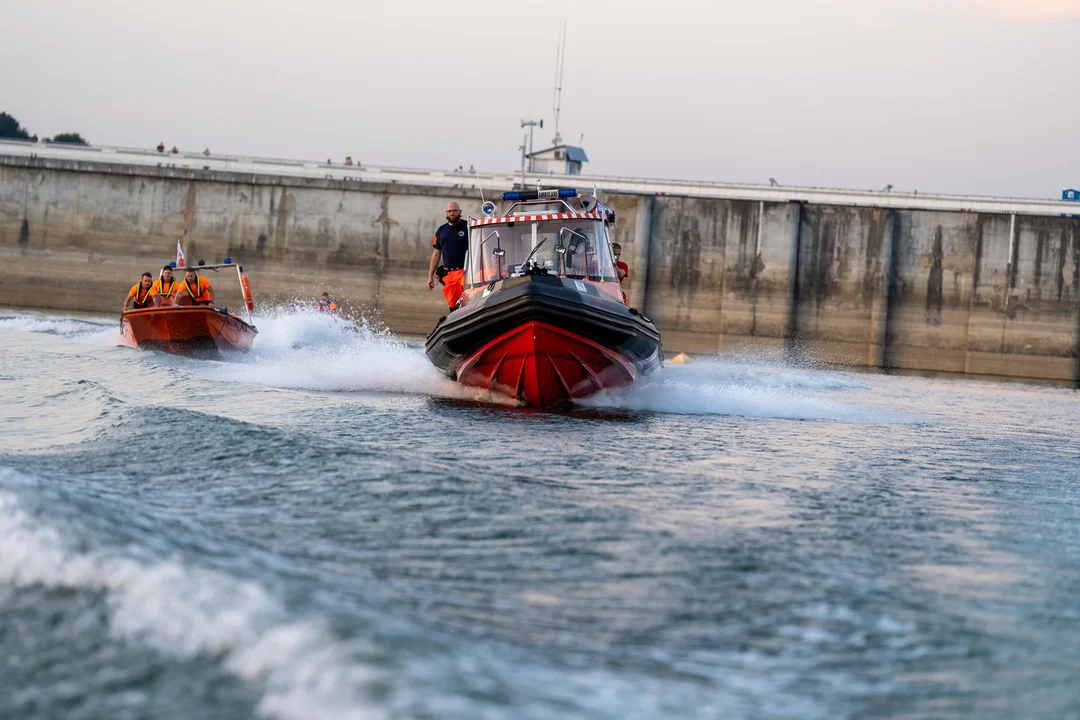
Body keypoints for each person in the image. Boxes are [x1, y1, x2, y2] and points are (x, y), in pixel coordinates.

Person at [428, 201, 469, 310]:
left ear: (460, 212)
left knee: (466, 302)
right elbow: (436, 254)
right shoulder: (441, 231)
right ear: (446, 213)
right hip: (449, 275)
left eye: (455, 211)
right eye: (449, 211)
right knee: (453, 305)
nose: (452, 213)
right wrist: (430, 276)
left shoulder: (467, 226)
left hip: (465, 272)